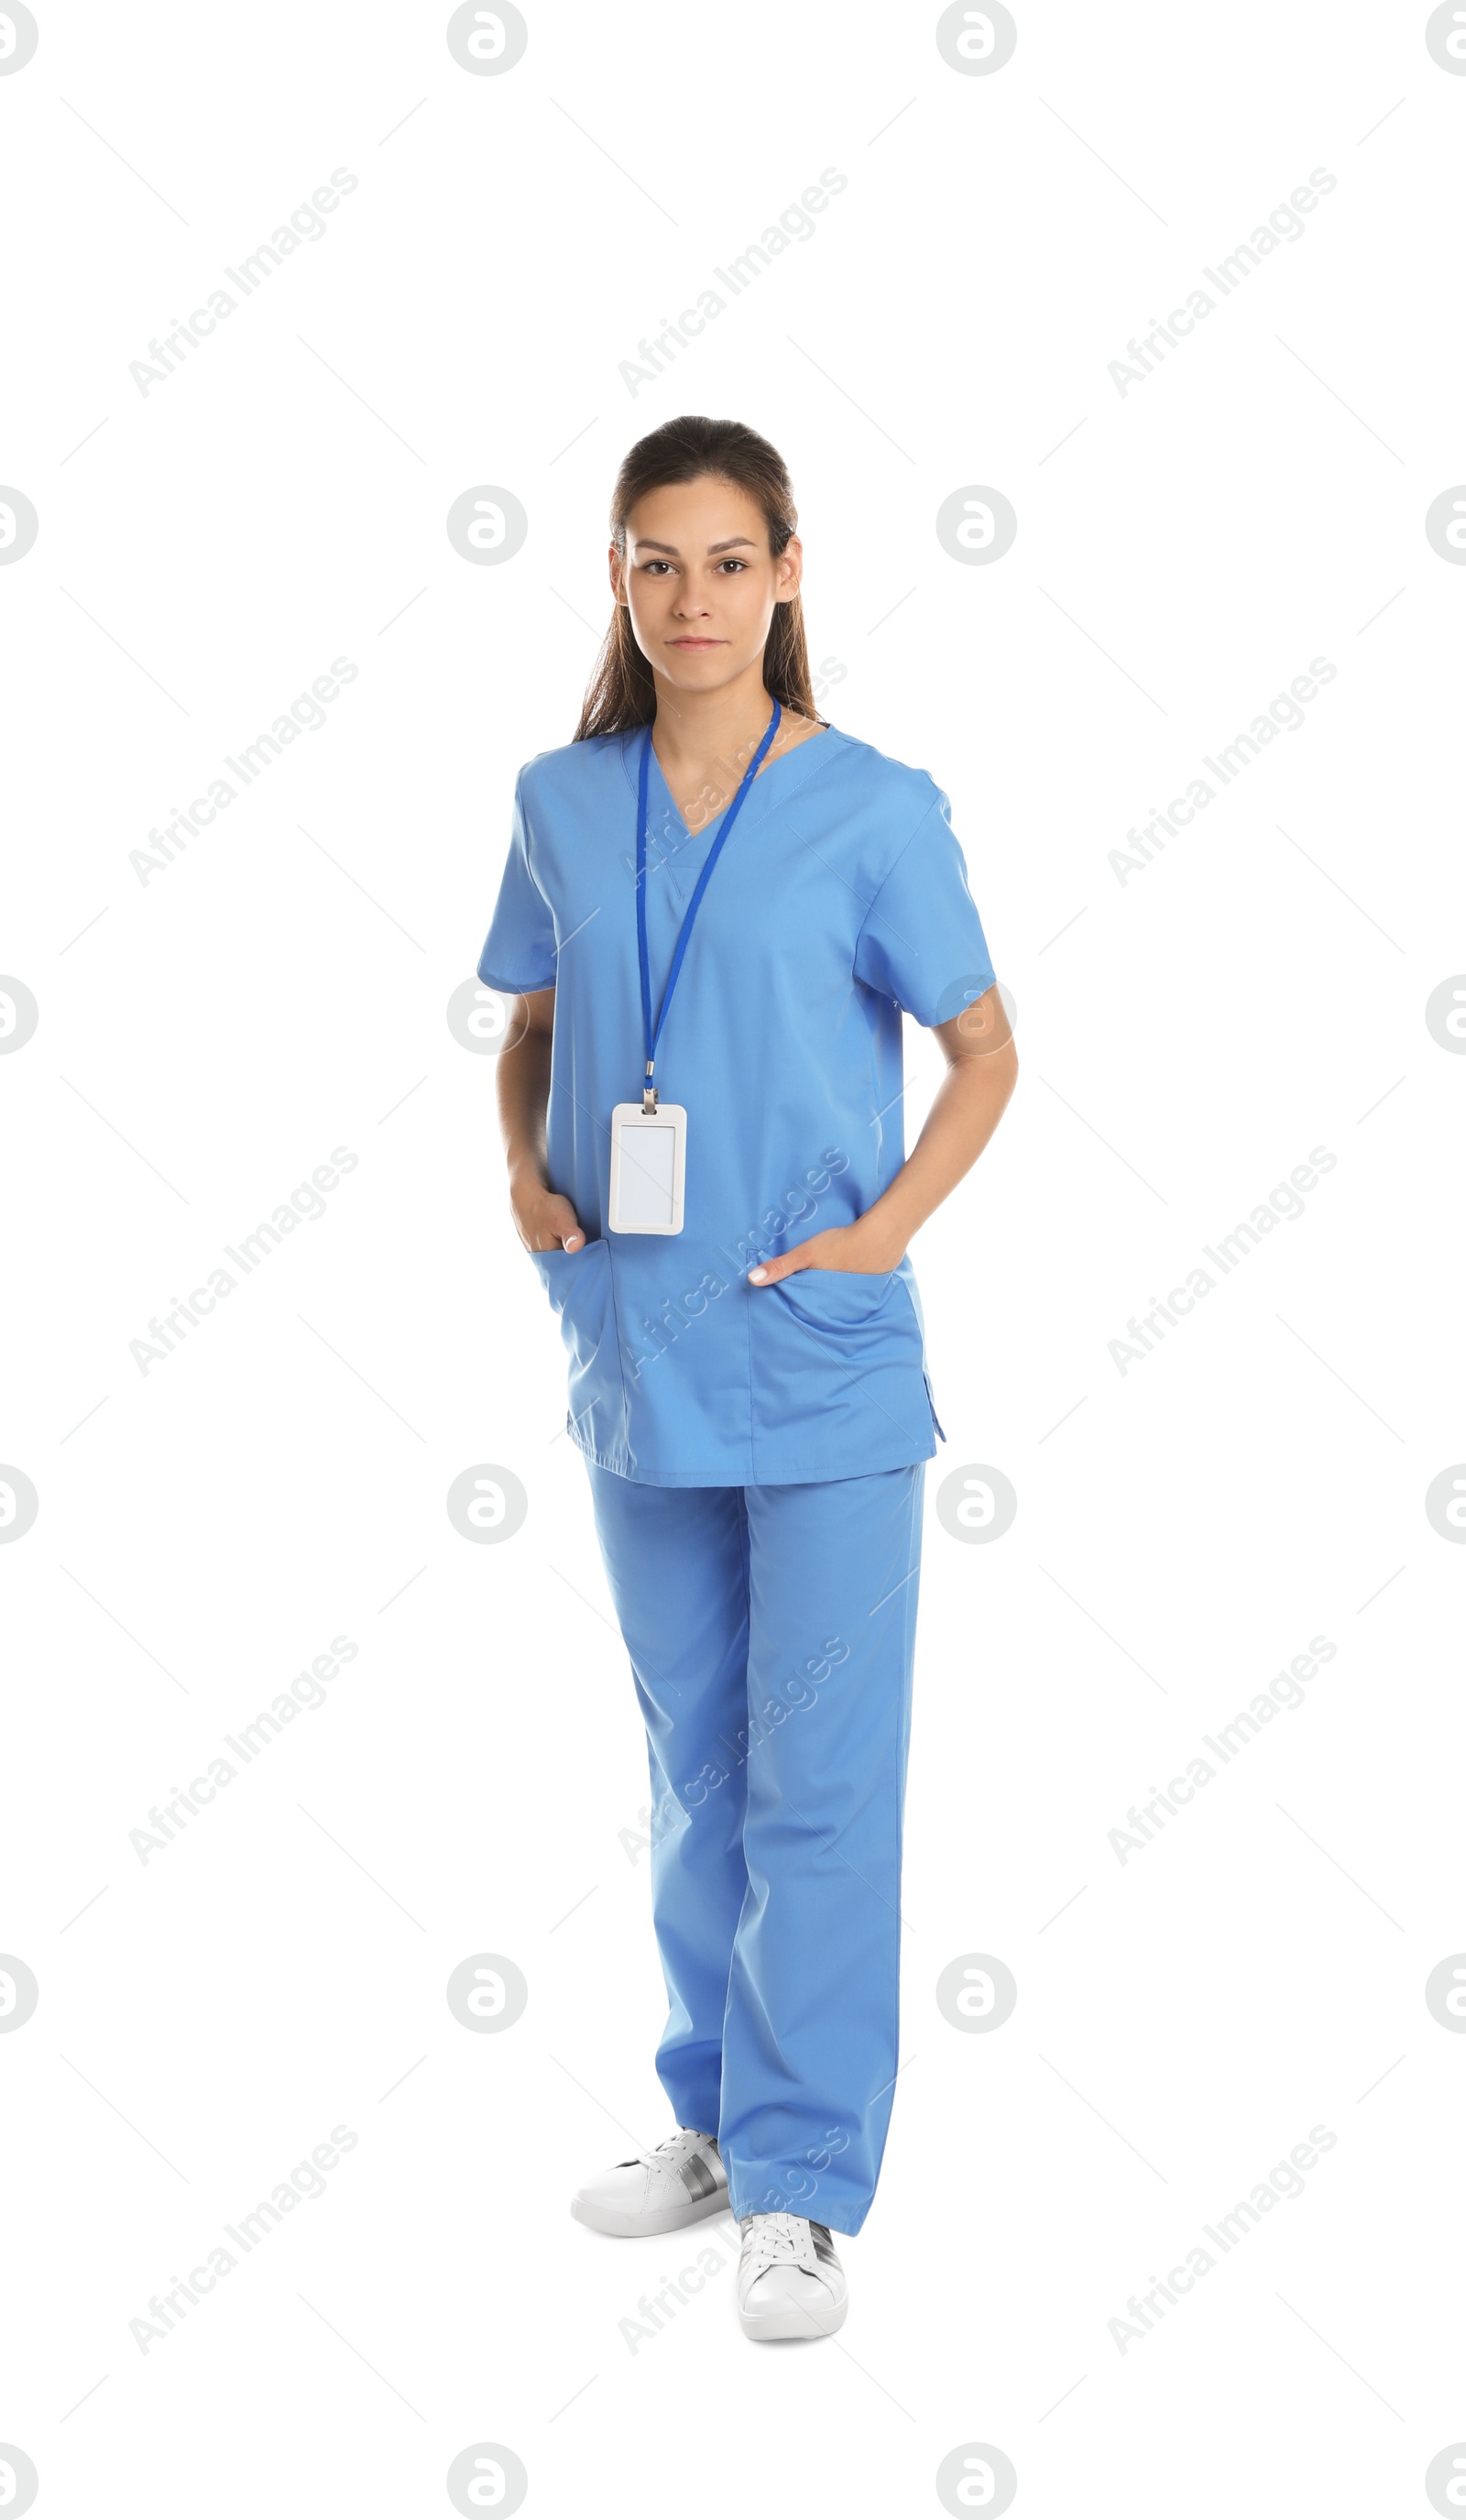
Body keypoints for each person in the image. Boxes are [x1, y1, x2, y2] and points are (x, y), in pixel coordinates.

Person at [478, 415, 1016, 2341]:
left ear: (786, 573)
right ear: (615, 583)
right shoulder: (562, 795)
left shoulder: (871, 806)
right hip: (636, 1357)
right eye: (652, 560)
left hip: (820, 1362)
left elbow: (980, 1050)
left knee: (819, 1781)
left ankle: (799, 2184)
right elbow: (532, 1033)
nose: (688, 597)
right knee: (693, 1774)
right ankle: (706, 2121)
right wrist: (524, 1176)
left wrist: (883, 1236)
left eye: (725, 560)